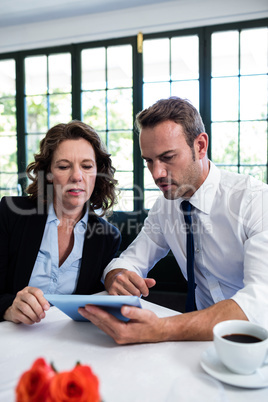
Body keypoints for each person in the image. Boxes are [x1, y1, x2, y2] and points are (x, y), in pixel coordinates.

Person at [79, 97, 268, 344]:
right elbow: (130, 260)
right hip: (198, 342)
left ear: (200, 146)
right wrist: (118, 277)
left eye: (167, 157)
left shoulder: (255, 200)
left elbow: (259, 302)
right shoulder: (165, 206)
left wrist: (162, 328)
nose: (156, 173)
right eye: (149, 161)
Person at [0, 120, 121, 325]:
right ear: (48, 174)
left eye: (87, 166)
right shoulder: (10, 213)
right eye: (64, 166)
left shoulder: (107, 238)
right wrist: (9, 308)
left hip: (68, 344)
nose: (76, 176)